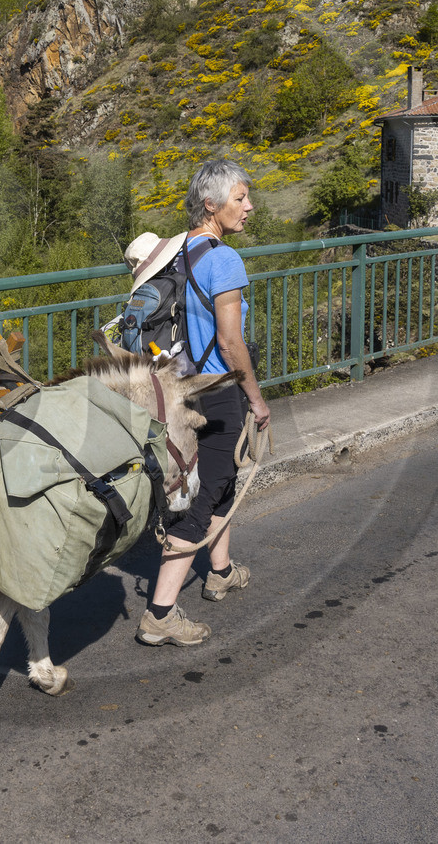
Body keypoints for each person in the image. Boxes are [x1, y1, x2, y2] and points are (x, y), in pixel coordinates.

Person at [137, 160, 272, 647]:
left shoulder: (177, 253)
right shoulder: (225, 260)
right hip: (219, 391)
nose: (250, 206)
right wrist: (255, 400)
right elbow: (231, 343)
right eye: (241, 198)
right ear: (211, 205)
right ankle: (160, 614)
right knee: (204, 498)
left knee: (222, 482)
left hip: (182, 389)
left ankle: (220, 572)